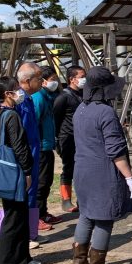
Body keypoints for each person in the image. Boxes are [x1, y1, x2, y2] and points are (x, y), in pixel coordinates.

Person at [71, 66, 132, 264]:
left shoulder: (81, 109)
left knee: (86, 214)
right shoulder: (105, 112)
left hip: (81, 170)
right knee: (105, 219)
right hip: (102, 172)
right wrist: (128, 176)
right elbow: (115, 150)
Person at [0, 76, 41, 264]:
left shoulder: (3, 114)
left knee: (20, 215)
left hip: (10, 170)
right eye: (16, 89)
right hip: (15, 170)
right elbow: (19, 146)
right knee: (13, 217)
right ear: (7, 94)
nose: (20, 92)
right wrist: (28, 171)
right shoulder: (10, 116)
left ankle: (23, 258)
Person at [16, 63, 43, 245]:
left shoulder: (29, 98)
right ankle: (24, 236)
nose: (42, 82)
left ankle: (32, 233)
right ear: (27, 81)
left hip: (34, 153)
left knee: (32, 193)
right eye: (39, 79)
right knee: (25, 194)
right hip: (25, 156)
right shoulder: (20, 100)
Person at [53, 66, 85, 213]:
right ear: (72, 79)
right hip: (67, 138)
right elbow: (56, 119)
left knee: (83, 169)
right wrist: (58, 140)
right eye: (82, 76)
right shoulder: (63, 97)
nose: (85, 79)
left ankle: (82, 199)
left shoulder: (84, 94)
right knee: (69, 168)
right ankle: (66, 200)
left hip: (82, 138)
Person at [31, 65, 60, 227]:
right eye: (52, 80)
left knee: (47, 181)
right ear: (42, 82)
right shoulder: (39, 99)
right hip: (41, 147)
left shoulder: (48, 97)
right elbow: (33, 123)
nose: (55, 83)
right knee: (41, 183)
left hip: (48, 146)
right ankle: (36, 217)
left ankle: (43, 212)